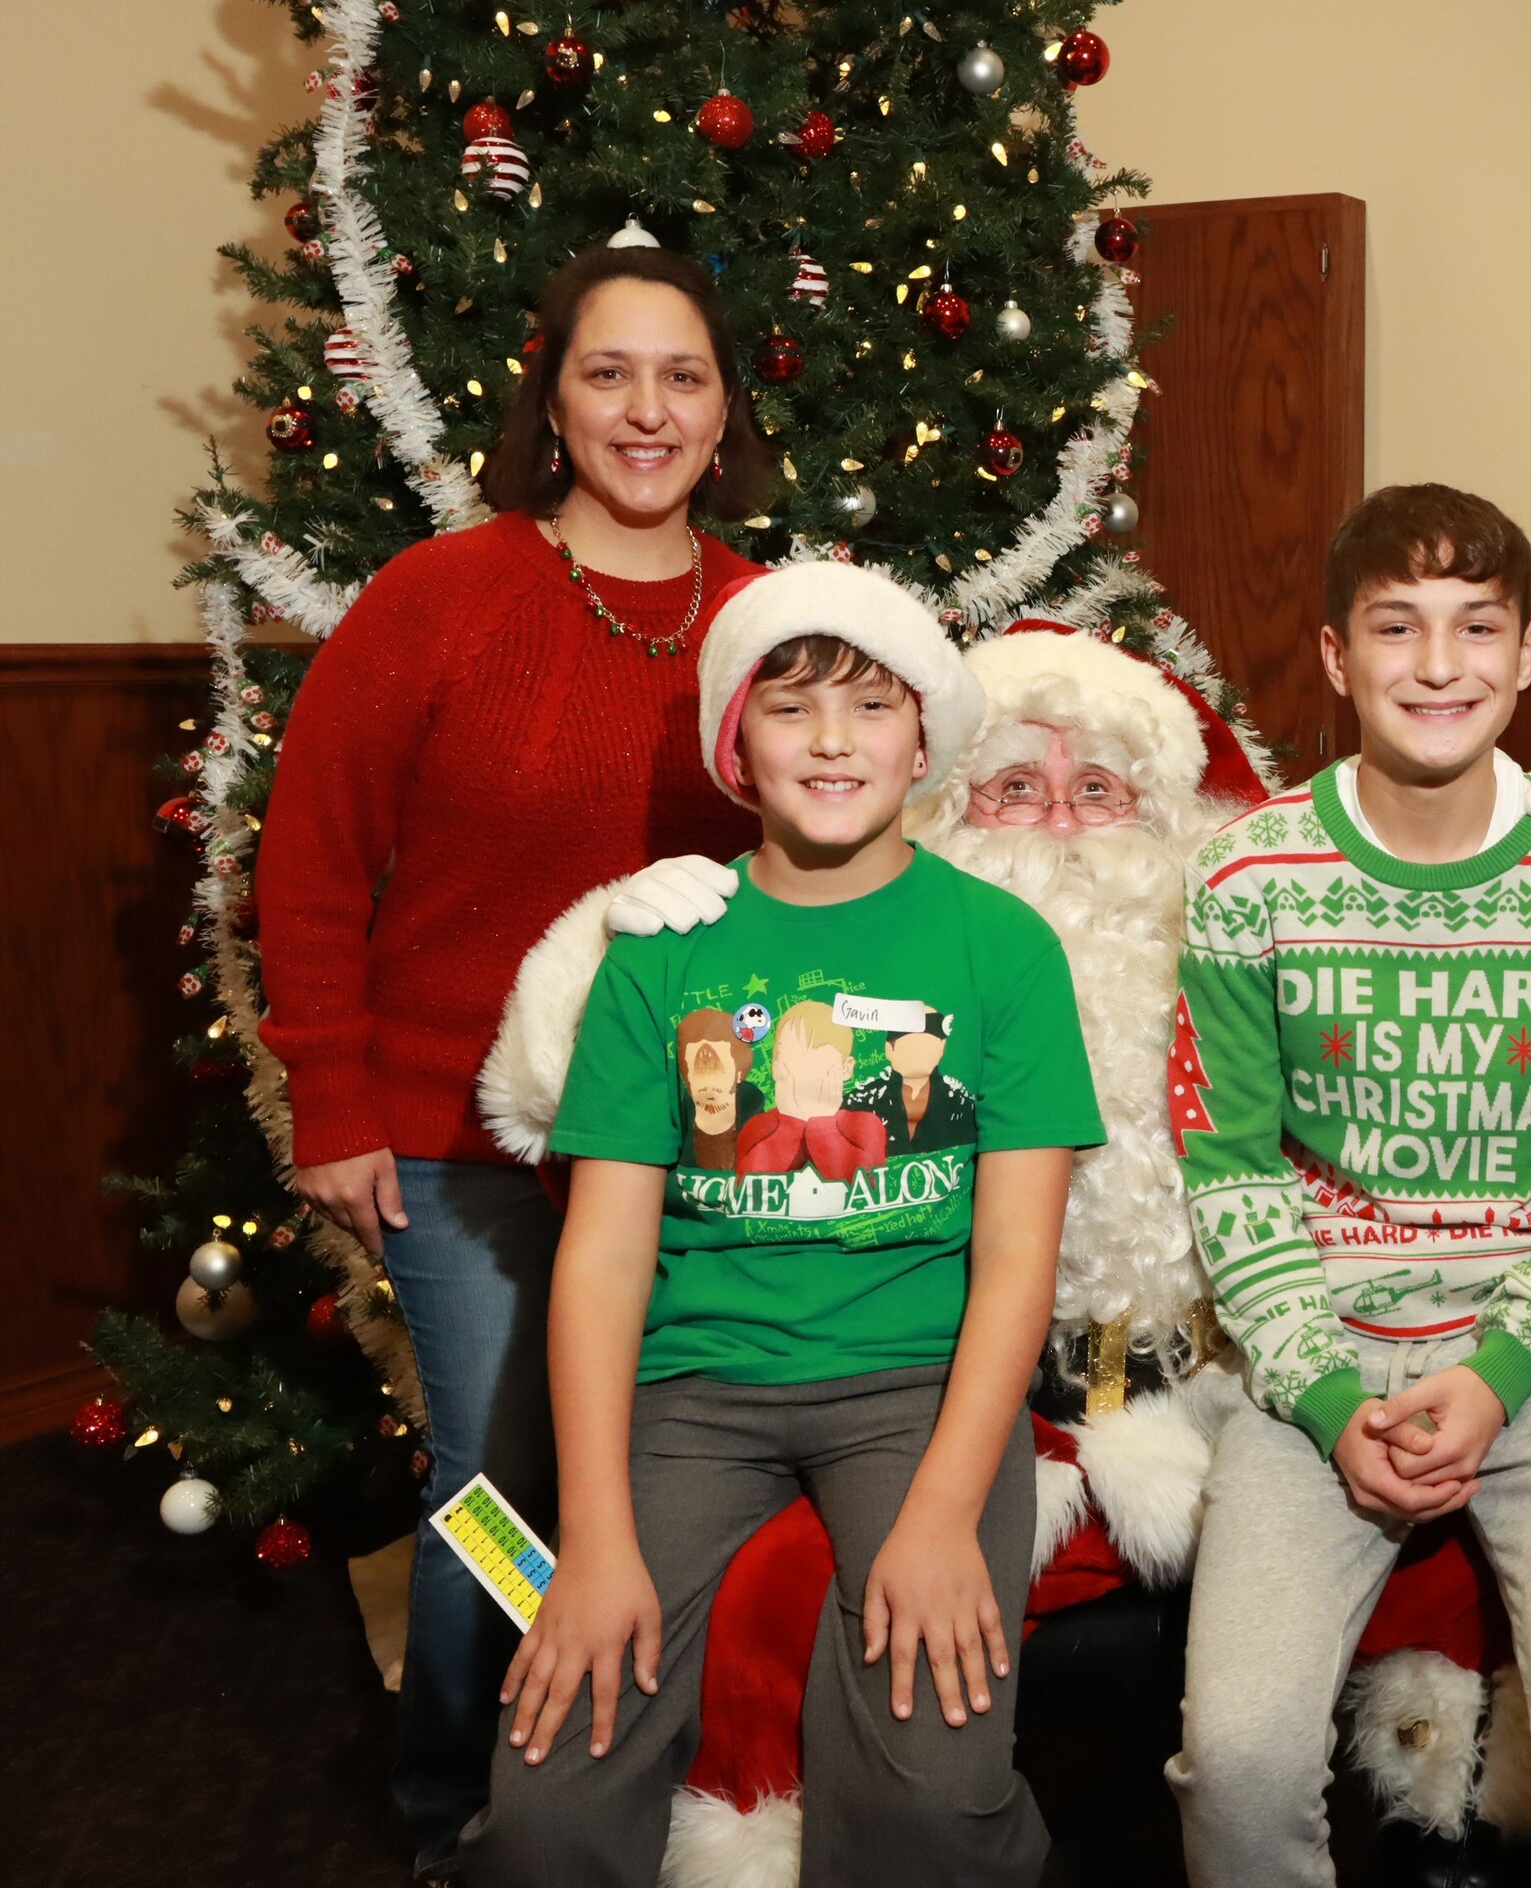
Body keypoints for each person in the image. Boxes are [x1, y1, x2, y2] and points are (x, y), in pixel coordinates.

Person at [458, 563, 1105, 1888]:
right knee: (547, 1803)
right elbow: (601, 1258)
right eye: (790, 707)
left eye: (871, 706)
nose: (831, 740)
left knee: (933, 1799)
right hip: (692, 1388)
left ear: (922, 739)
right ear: (734, 746)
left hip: (917, 1387)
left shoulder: (1005, 948)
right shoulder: (659, 955)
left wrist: (943, 1514)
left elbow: (1015, 1261)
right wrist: (595, 1539)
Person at [253, 239, 774, 1881]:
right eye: (609, 373)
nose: (646, 410)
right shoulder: (441, 598)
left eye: (681, 376)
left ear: (726, 411)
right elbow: (312, 857)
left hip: (696, 1144)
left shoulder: (766, 621)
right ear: (552, 400)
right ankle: (460, 1798)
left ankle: (640, 1780)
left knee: (676, 1467)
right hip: (457, 1140)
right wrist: (332, 1098)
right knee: (501, 1471)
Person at [1167, 484, 1531, 1888]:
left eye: (1476, 627)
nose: (1437, 664)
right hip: (1316, 1351)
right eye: (1396, 626)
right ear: (1337, 656)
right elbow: (1231, 1170)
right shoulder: (1249, 875)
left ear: (1527, 654)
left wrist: (1497, 1374)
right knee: (1236, 1761)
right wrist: (1326, 1397)